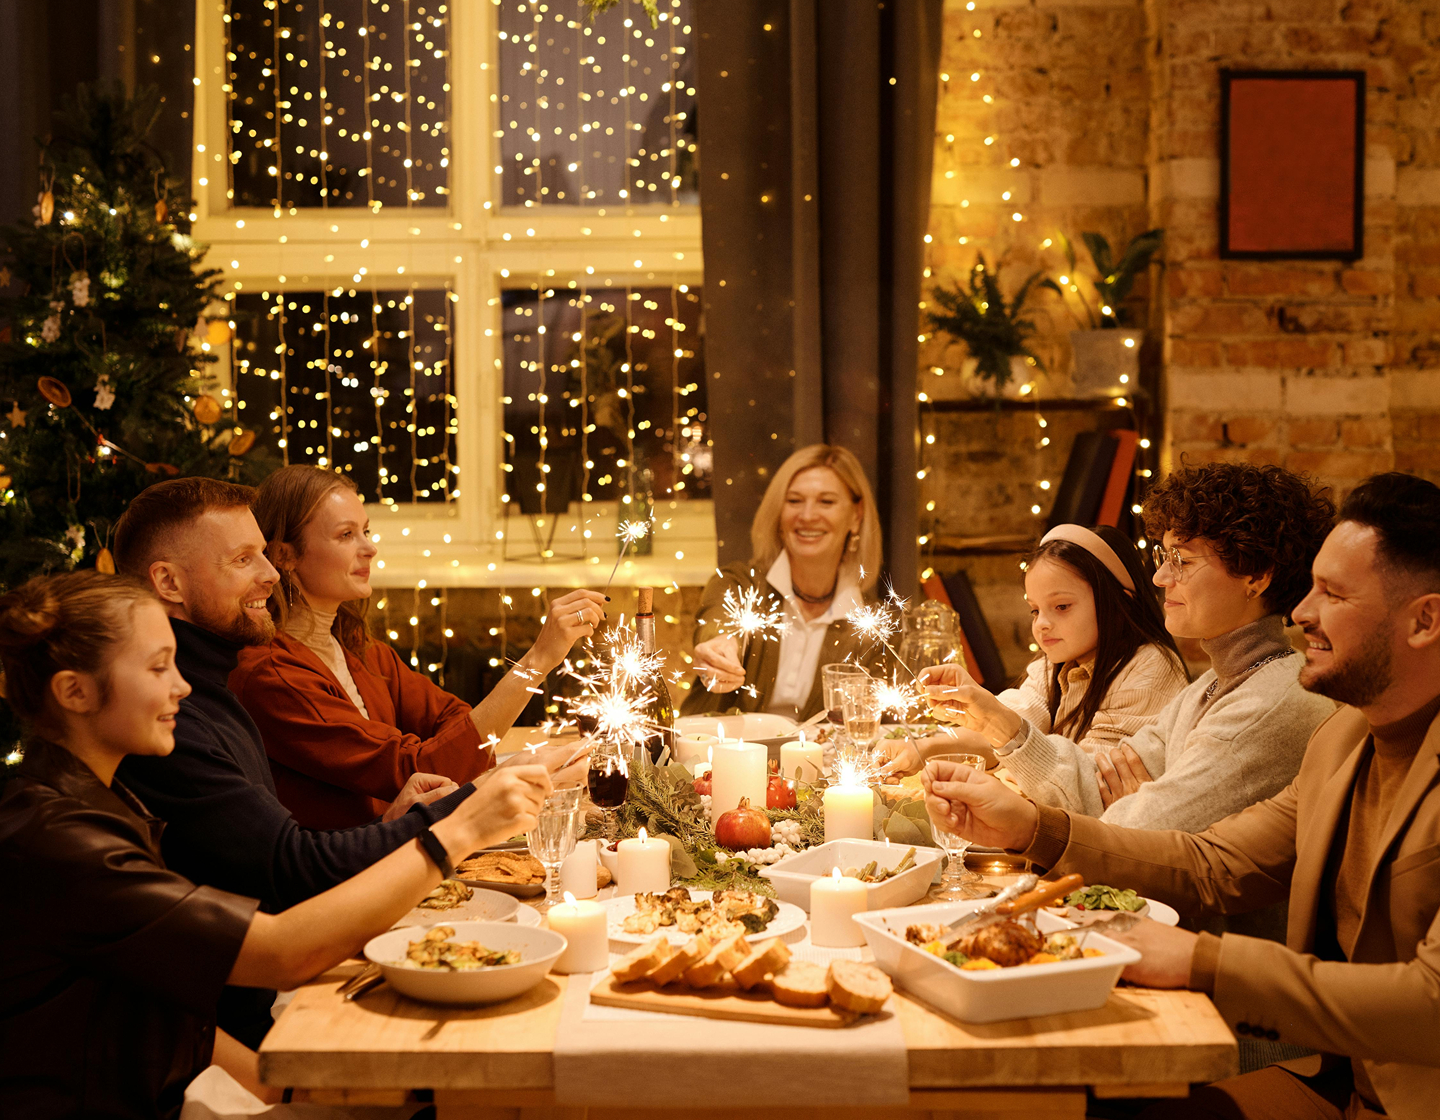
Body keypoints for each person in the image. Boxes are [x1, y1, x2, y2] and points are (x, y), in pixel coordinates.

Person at [921, 472, 1440, 1120]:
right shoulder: (1344, 739)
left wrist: (1201, 960)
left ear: (1425, 619)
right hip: (1337, 1080)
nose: (1301, 612)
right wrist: (1028, 828)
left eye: (1332, 594)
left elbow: (1429, 1004)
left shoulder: (1284, 704)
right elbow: (1211, 862)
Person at [0, 570, 550, 1120]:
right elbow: (282, 952)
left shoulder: (104, 798)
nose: (182, 686)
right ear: (75, 691)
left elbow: (168, 1004)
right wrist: (456, 832)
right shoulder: (58, 840)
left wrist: (280, 1089)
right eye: (156, 667)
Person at [107, 477, 582, 1047]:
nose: (268, 575)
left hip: (336, 927)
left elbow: (459, 732)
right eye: (243, 558)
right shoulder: (242, 684)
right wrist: (470, 812)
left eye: (261, 553)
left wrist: (445, 802)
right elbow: (292, 874)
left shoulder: (351, 656)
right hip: (295, 977)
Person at [918, 463, 1336, 831]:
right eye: (1163, 557)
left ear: (1256, 576)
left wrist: (1125, 810)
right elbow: (1094, 782)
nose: (1159, 578)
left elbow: (1139, 833)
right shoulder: (1211, 686)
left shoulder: (1268, 702)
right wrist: (993, 720)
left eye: (1183, 561)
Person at [229, 464, 607, 829]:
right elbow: (418, 764)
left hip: (406, 840)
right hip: (353, 870)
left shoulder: (358, 648)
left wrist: (489, 758)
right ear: (285, 556)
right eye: (346, 535)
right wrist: (539, 659)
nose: (369, 548)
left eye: (366, 531)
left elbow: (457, 723)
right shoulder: (272, 676)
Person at [877, 524, 1188, 777]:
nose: (1042, 624)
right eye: (1035, 610)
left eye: (1061, 606)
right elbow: (1007, 729)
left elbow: (1091, 778)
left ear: (1120, 603)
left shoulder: (1149, 666)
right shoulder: (1051, 666)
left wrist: (994, 718)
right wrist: (923, 748)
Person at [683, 444, 891, 721]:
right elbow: (719, 623)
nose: (807, 516)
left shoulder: (873, 628)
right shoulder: (739, 584)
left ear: (856, 515)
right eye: (794, 501)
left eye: (826, 502)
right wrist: (719, 649)